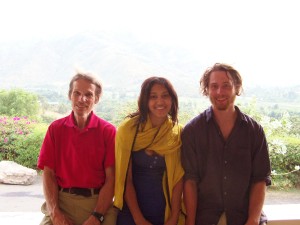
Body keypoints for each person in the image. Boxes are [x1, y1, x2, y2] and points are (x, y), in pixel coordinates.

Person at [181, 63, 271, 225]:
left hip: (244, 216)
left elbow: (260, 179)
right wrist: (191, 221)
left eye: (226, 86)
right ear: (206, 89)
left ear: (237, 87)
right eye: (214, 86)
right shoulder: (192, 131)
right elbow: (190, 181)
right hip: (205, 218)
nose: (219, 92)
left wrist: (253, 220)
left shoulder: (254, 131)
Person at [37, 72, 117, 225]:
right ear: (70, 95)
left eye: (88, 94)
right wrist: (55, 214)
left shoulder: (108, 131)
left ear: (97, 99)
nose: (82, 99)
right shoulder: (55, 129)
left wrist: (97, 216)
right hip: (62, 202)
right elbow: (48, 175)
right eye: (77, 93)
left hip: (97, 203)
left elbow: (111, 179)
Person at [114, 77, 185, 225]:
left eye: (165, 96)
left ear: (172, 99)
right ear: (145, 100)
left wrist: (173, 217)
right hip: (131, 214)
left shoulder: (177, 133)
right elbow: (125, 179)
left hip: (164, 212)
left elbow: (178, 179)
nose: (160, 102)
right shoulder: (128, 131)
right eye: (153, 97)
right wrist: (139, 220)